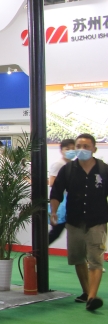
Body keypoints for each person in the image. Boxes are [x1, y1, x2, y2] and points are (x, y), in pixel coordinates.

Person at [50, 133, 108, 311]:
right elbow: (56, 192)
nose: (82, 149)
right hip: (74, 221)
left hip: (97, 221)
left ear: (94, 149)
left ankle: (92, 297)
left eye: (86, 146)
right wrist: (53, 212)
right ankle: (86, 292)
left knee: (95, 259)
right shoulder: (67, 170)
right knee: (77, 258)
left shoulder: (104, 169)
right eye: (79, 146)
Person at [48, 139, 76, 245]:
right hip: (61, 203)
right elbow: (52, 182)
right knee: (56, 231)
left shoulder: (73, 165)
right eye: (67, 149)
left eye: (73, 149)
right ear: (61, 150)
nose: (70, 151)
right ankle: (38, 250)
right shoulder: (59, 164)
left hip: (70, 203)